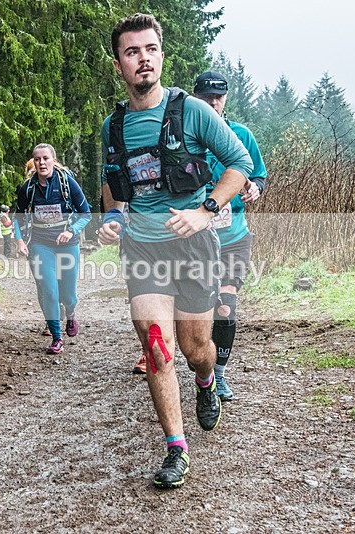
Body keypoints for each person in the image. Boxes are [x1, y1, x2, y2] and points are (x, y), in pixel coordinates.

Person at [97, 14, 253, 489]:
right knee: (156, 344)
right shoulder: (113, 125)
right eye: (131, 51)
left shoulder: (193, 112)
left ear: (161, 55)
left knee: (194, 348)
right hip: (143, 248)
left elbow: (239, 165)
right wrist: (112, 217)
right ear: (119, 63)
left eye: (149, 49)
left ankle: (207, 383)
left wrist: (206, 211)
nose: (142, 58)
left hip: (194, 246)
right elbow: (112, 184)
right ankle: (176, 448)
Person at [131, 72, 268, 402]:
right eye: (207, 95)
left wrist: (254, 188)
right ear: (196, 97)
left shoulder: (241, 135)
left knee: (226, 305)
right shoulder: (182, 130)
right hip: (186, 239)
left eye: (219, 96)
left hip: (231, 234)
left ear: (226, 99)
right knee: (181, 309)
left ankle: (216, 375)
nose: (213, 101)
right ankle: (180, 357)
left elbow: (257, 173)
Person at [14, 143, 92, 354]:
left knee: (68, 294)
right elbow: (17, 218)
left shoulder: (68, 184)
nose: (41, 163)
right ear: (34, 162)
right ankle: (57, 337)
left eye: (45, 158)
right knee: (49, 290)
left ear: (54, 161)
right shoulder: (28, 188)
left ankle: (71, 311)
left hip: (68, 244)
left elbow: (86, 214)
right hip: (40, 244)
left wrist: (72, 231)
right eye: (37, 159)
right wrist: (20, 241)